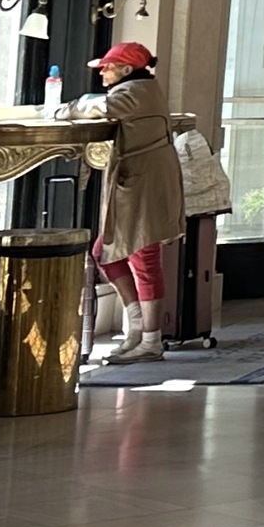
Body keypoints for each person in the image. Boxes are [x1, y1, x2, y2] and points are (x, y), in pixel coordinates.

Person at [77, 40, 184, 365]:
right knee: (104, 253)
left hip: (143, 183)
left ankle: (150, 340)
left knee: (143, 256)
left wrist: (70, 107)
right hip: (140, 181)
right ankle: (137, 327)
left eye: (107, 68)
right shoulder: (142, 88)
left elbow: (101, 108)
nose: (102, 74)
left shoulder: (135, 91)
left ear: (125, 70)